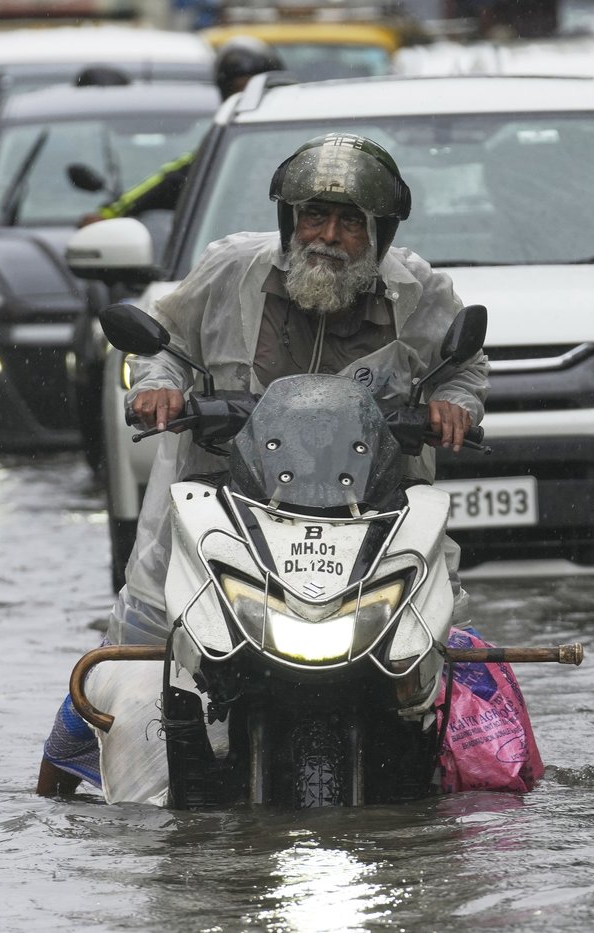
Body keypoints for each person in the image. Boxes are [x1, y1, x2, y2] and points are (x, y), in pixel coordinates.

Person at [38, 133, 488, 795]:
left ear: (381, 236)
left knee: (440, 670)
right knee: (123, 669)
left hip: (369, 521)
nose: (327, 237)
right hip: (221, 510)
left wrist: (453, 402)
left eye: (350, 224)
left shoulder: (418, 291)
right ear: (289, 221)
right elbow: (162, 340)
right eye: (313, 216)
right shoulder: (230, 272)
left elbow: (464, 365)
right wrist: (156, 387)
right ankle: (54, 783)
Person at [83, 37, 285, 224]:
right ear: (224, 94)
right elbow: (176, 178)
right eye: (239, 90)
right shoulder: (228, 147)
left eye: (260, 89)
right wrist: (112, 213)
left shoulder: (305, 140)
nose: (249, 98)